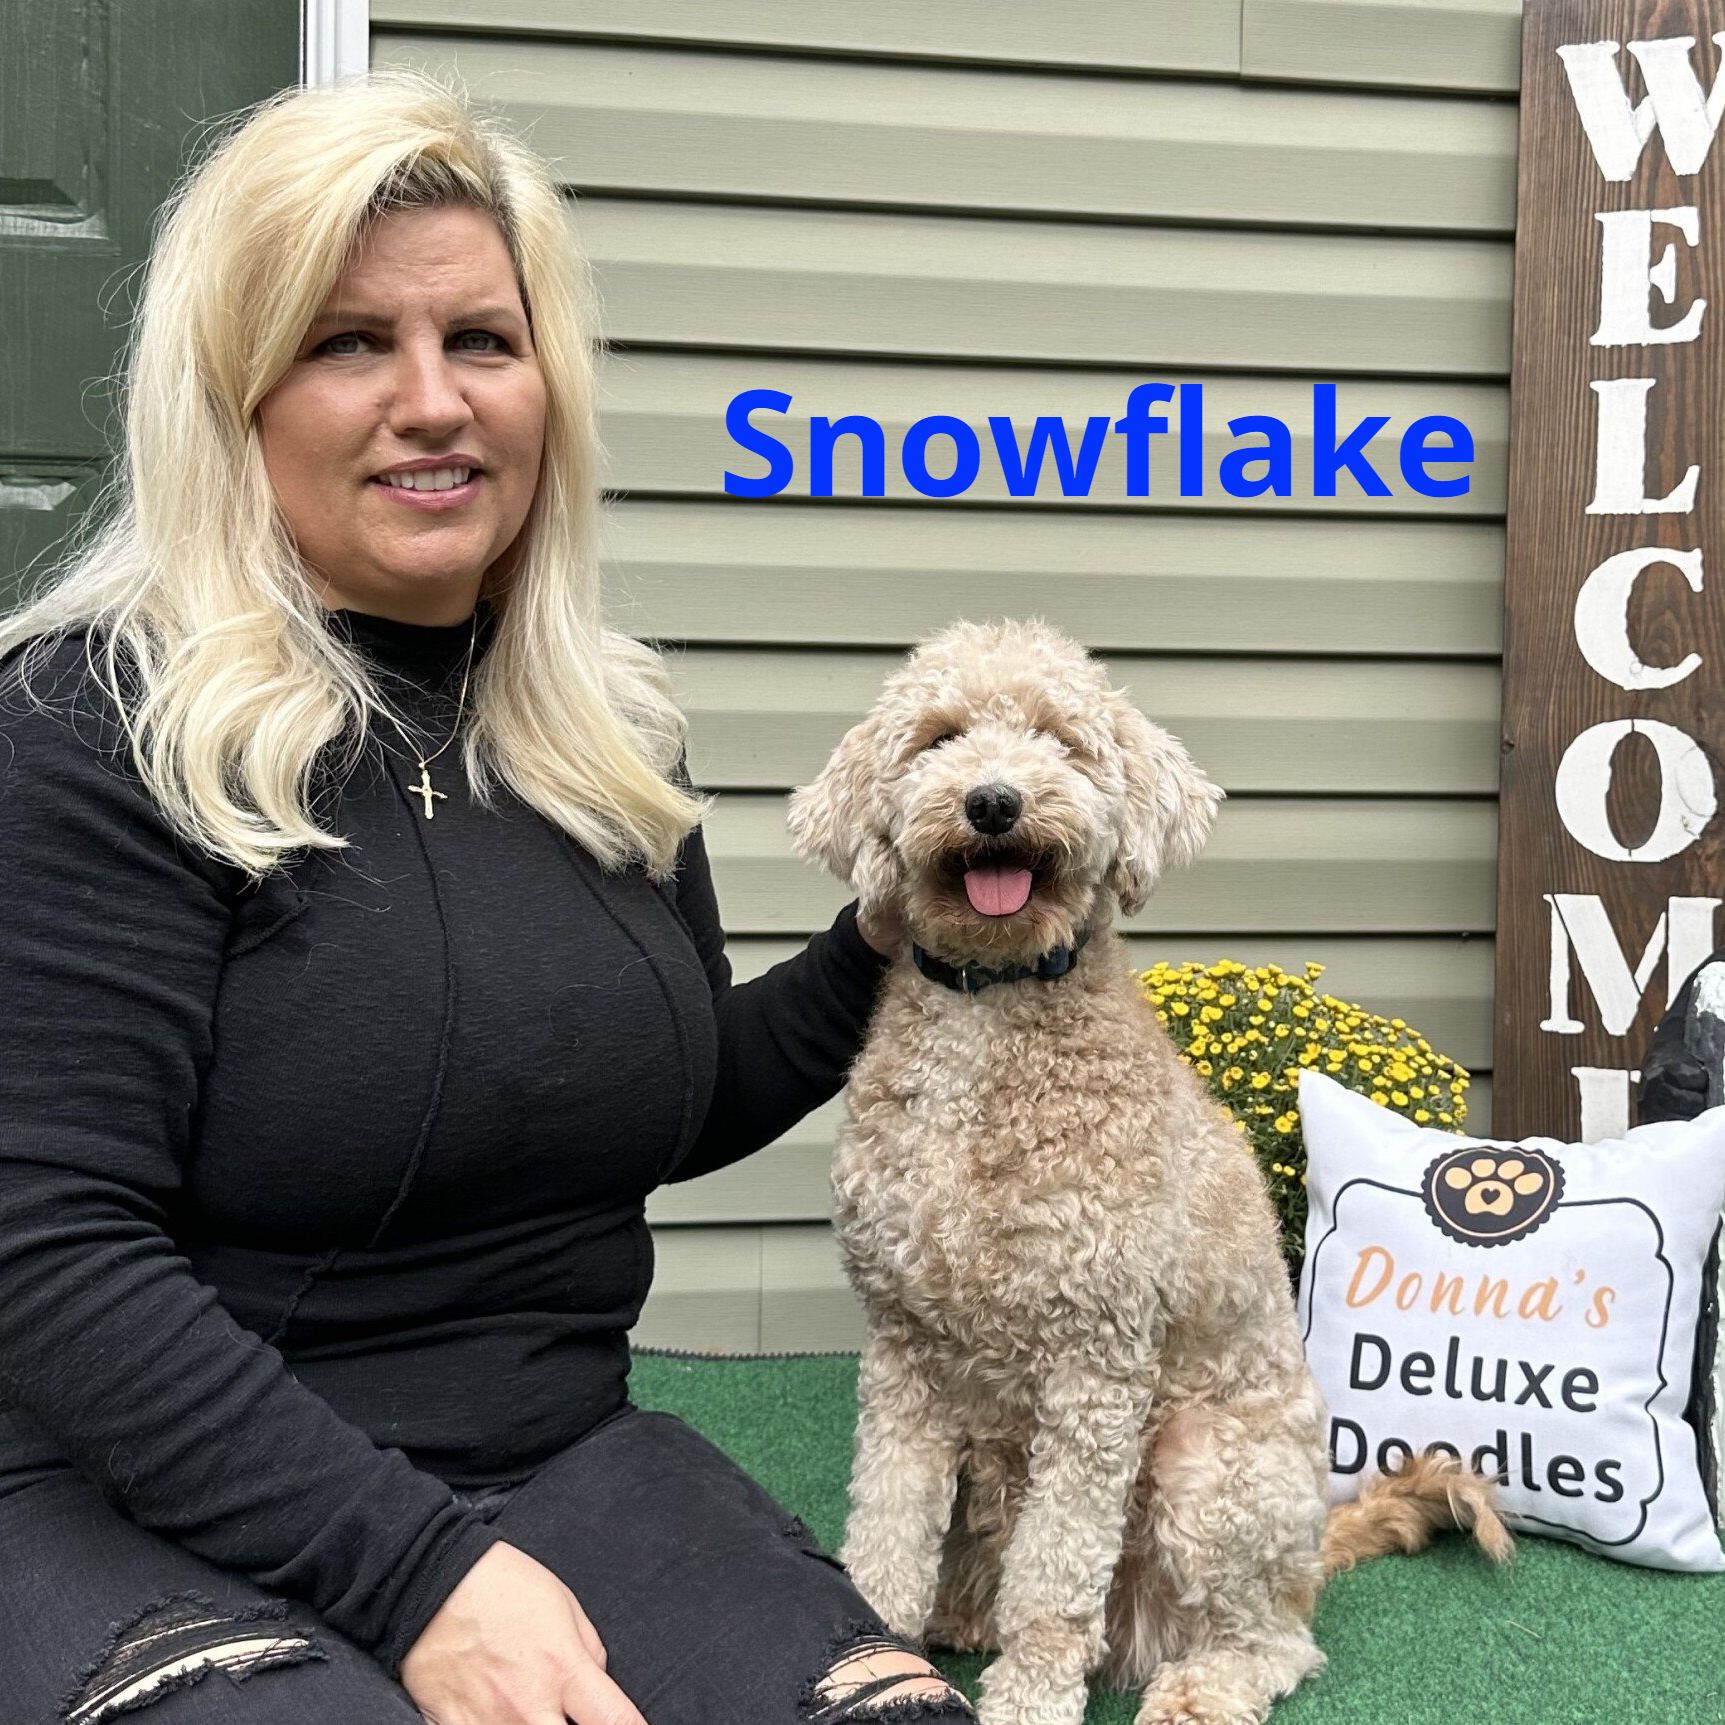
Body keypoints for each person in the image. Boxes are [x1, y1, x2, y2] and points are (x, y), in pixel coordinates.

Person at [0, 70, 977, 1725]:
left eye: (481, 341)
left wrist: (887, 942)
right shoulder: (94, 727)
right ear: (232, 396)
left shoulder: (599, 729)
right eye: (346, 342)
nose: (432, 400)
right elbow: (47, 1251)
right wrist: (423, 1578)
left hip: (552, 1457)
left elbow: (648, 1101)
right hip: (129, 1485)